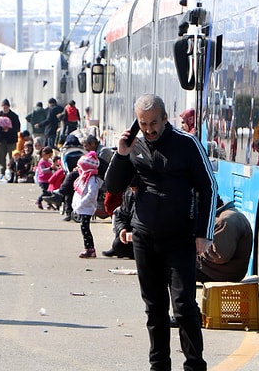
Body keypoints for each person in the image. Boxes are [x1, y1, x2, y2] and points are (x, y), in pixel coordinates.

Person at [105, 94, 217, 371]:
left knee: (184, 306)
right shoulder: (134, 145)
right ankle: (159, 365)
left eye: (154, 122)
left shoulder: (186, 144)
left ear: (165, 118)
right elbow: (113, 186)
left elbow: (209, 187)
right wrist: (121, 154)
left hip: (179, 238)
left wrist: (203, 232)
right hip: (144, 238)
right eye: (143, 123)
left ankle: (194, 365)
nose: (149, 129)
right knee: (154, 308)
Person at [196, 196, 253, 283]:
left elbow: (219, 256)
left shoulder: (224, 221)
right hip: (227, 270)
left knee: (180, 264)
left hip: (225, 273)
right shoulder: (226, 216)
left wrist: (197, 247)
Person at [72, 151, 103, 258]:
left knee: (85, 228)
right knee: (84, 228)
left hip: (87, 208)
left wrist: (81, 203)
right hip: (83, 207)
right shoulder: (83, 179)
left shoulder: (92, 180)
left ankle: (90, 248)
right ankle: (88, 248)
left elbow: (91, 194)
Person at [102, 185, 136, 259]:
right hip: (135, 233)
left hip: (152, 235)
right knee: (118, 244)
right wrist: (122, 229)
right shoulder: (129, 194)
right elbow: (122, 215)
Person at [0, 99, 21, 177]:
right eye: (4, 107)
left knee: (12, 156)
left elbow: (17, 128)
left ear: (9, 107)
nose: (5, 108)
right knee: (1, 157)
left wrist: (8, 129)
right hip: (1, 140)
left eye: (6, 107)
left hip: (11, 139)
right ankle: (2, 172)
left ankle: (12, 171)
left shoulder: (14, 116)